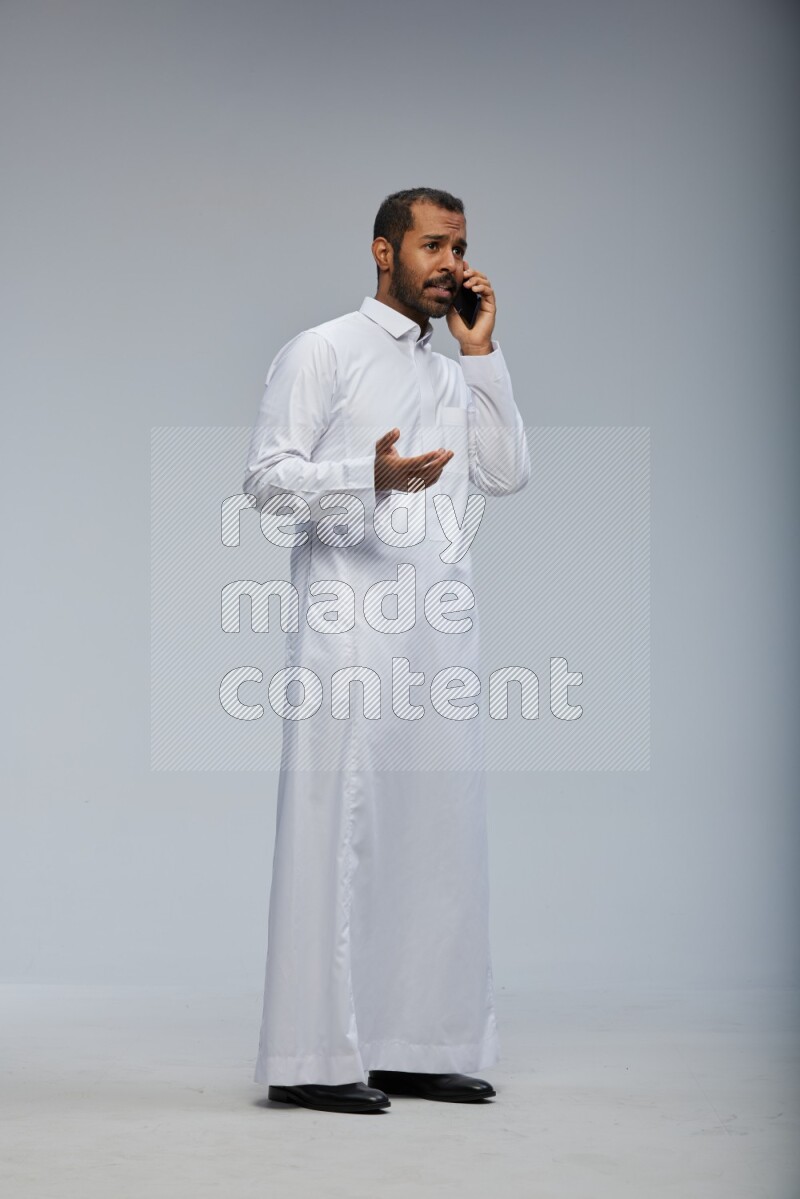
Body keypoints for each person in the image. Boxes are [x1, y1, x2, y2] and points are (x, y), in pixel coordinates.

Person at [243, 187, 531, 1114]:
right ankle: (310, 1058)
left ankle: (416, 1042)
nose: (452, 264)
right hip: (350, 635)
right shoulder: (323, 350)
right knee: (339, 836)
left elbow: (505, 473)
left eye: (460, 247)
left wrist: (482, 356)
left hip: (438, 640)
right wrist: (368, 475)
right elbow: (267, 483)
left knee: (436, 839)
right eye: (433, 246)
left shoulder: (450, 374)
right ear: (383, 251)